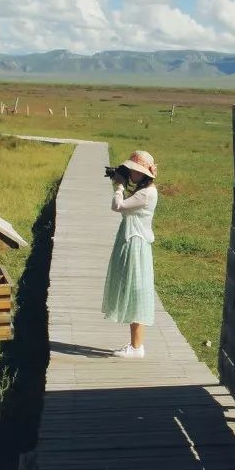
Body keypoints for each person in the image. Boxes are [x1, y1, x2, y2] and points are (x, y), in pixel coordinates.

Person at [101, 149, 158, 358]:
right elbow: (126, 209)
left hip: (135, 244)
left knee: (135, 291)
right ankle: (136, 345)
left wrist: (119, 185)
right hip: (134, 241)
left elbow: (118, 206)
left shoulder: (145, 194)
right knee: (134, 290)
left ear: (144, 173)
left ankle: (136, 347)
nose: (131, 173)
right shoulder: (145, 191)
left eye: (134, 170)